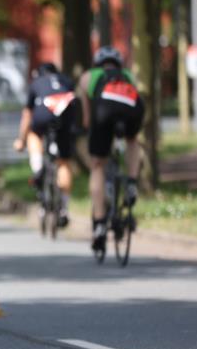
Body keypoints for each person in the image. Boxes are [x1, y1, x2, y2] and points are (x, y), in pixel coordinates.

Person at [76, 46, 145, 252]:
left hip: (104, 111)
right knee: (133, 140)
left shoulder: (89, 76)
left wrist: (89, 129)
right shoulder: (128, 76)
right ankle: (132, 181)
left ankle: (98, 224)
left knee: (97, 165)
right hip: (132, 109)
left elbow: (88, 117)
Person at [14, 62, 85, 228]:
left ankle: (38, 167)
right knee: (64, 163)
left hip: (43, 113)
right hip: (65, 116)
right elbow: (78, 100)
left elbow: (27, 114)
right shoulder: (66, 80)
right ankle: (64, 208)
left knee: (34, 134)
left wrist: (21, 140)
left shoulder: (36, 83)